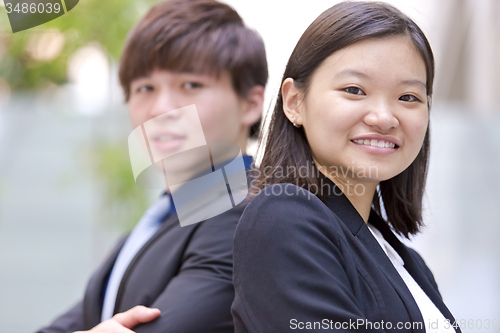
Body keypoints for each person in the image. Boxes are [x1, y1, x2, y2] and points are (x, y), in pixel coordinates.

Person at [37, 0, 267, 332]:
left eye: (191, 85)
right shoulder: (156, 222)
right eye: (145, 88)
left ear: (250, 104)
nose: (161, 108)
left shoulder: (249, 214)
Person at [232, 2, 461, 332]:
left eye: (408, 97)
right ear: (295, 102)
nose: (383, 117)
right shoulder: (283, 219)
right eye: (354, 90)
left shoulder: (408, 262)